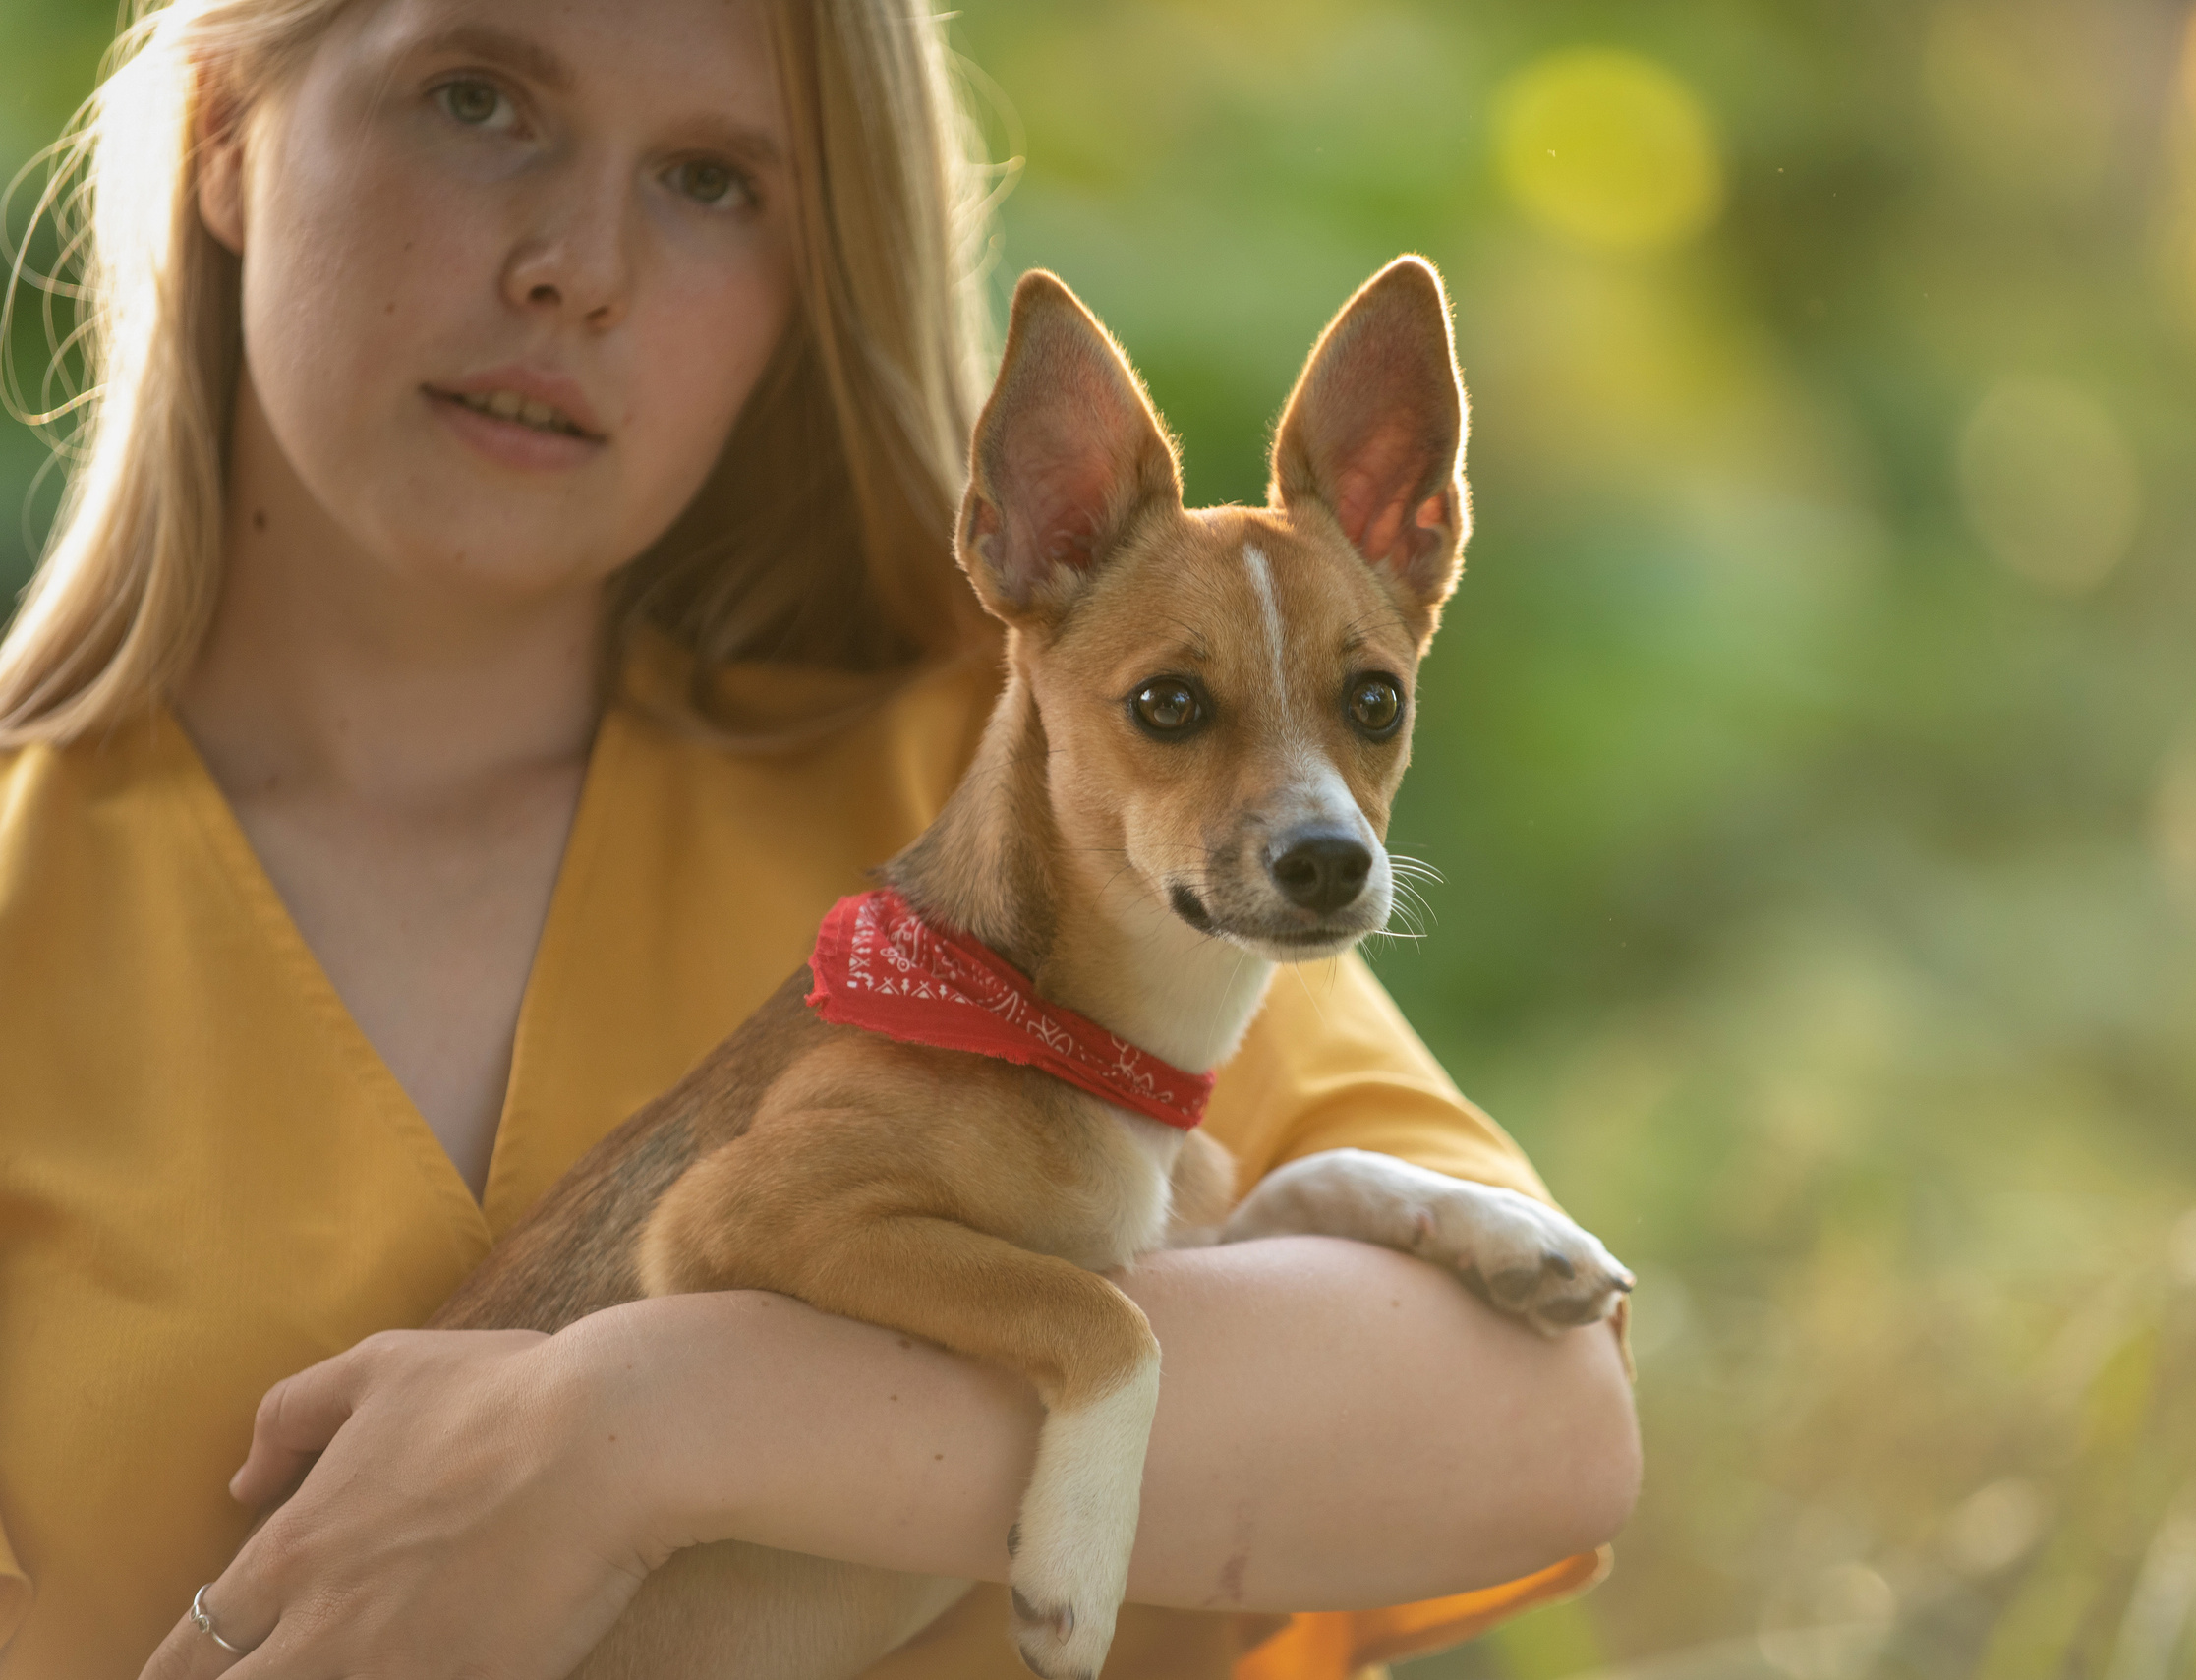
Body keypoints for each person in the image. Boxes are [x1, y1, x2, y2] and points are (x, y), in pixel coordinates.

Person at [0, 0, 1641, 1674]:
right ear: (223, 125)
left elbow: (1549, 1423)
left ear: (812, 271)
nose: (579, 263)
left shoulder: (1030, 782)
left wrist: (633, 1432)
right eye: (474, 97)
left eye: (712, 179)